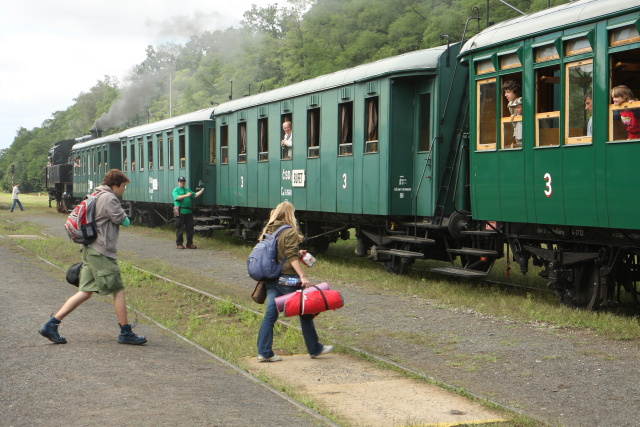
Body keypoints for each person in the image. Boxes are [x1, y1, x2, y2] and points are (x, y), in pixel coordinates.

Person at [39, 169, 146, 345]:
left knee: (85, 292)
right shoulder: (109, 198)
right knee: (118, 289)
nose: (124, 189)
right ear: (115, 185)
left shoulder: (96, 194)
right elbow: (124, 220)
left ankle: (51, 324)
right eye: (123, 186)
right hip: (101, 251)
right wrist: (127, 217)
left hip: (89, 249)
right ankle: (126, 332)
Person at [256, 201, 333, 362]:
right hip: (288, 280)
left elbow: (277, 252)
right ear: (290, 215)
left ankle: (264, 352)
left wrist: (298, 252)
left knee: (270, 315)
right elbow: (290, 256)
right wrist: (303, 276)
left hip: (272, 279)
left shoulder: (269, 230)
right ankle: (314, 348)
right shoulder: (289, 231)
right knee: (305, 312)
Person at [172, 176, 204, 249]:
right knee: (179, 227)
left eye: (183, 181)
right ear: (178, 182)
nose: (182, 182)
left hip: (188, 211)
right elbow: (177, 197)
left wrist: (201, 191)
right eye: (180, 181)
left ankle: (189, 244)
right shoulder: (176, 190)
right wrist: (186, 195)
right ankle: (179, 244)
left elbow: (194, 195)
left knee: (190, 228)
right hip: (179, 211)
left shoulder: (187, 189)